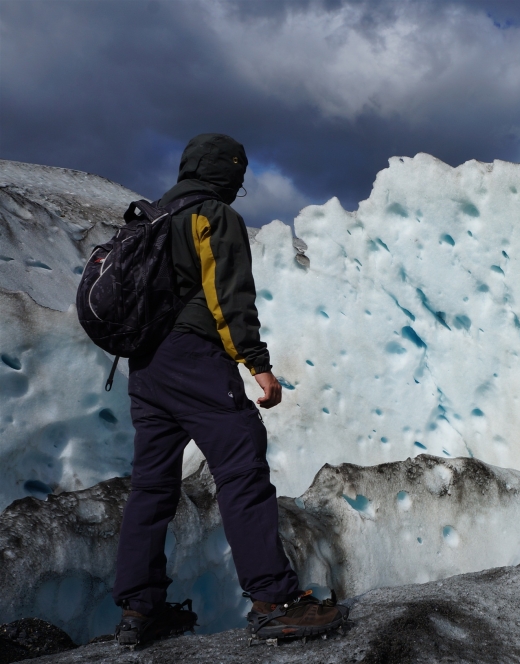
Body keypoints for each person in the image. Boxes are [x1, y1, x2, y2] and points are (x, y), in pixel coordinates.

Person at [112, 133, 344, 646]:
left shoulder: (150, 215)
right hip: (195, 359)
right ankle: (273, 601)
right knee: (241, 473)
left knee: (150, 486)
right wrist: (257, 365)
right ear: (229, 173)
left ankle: (138, 611)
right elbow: (228, 297)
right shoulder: (211, 215)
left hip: (146, 366)